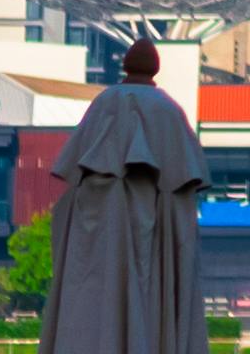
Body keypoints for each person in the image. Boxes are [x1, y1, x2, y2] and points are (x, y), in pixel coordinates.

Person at [53, 42, 210, 354]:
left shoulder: (105, 105)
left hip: (103, 236)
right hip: (130, 237)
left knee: (100, 303)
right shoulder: (168, 111)